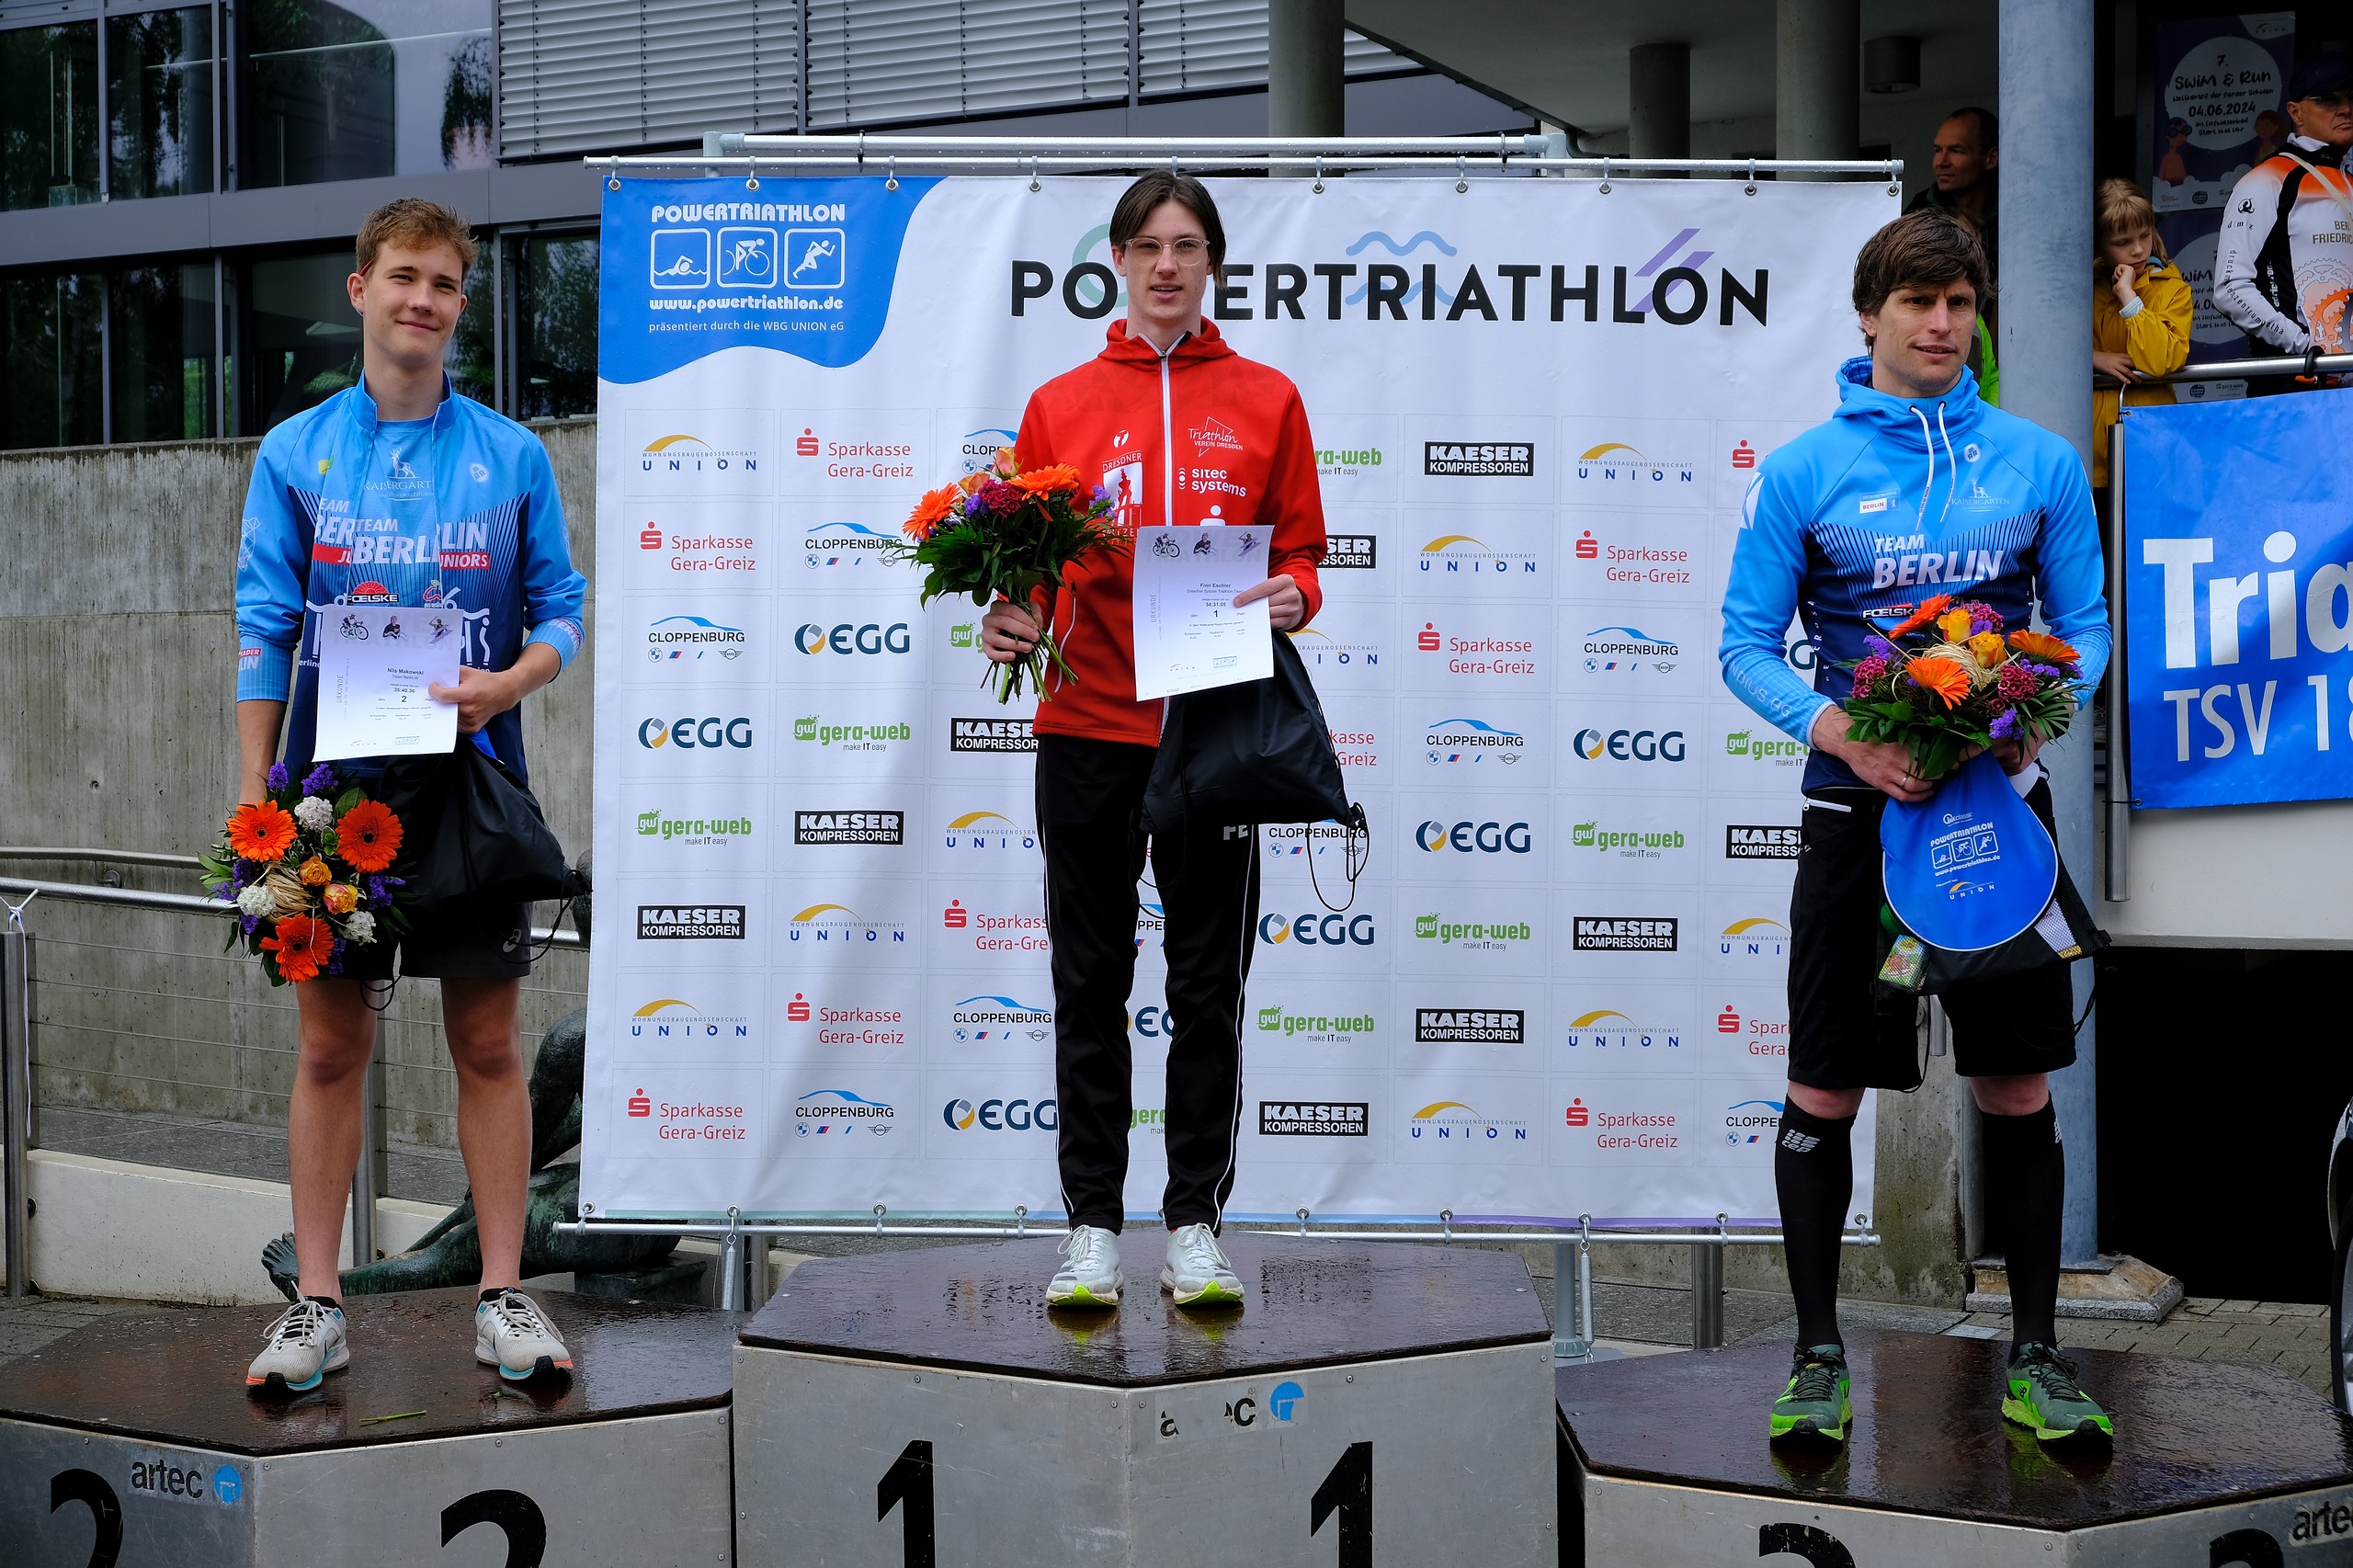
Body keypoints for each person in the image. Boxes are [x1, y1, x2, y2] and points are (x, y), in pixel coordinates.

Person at [1720, 210, 2114, 1449]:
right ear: (1870, 315)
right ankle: (1816, 1358)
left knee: (2017, 1082)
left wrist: (2038, 713)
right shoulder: (1804, 470)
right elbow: (1743, 645)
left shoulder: (2039, 460)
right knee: (1822, 1084)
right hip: (1858, 816)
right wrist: (1844, 732)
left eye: (1959, 304)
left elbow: (2087, 627)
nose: (1942, 325)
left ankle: (2036, 1356)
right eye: (1918, 303)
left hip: (1997, 815)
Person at [233, 199, 586, 1392]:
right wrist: (258, 800)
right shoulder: (295, 453)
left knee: (487, 1043)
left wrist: (509, 683)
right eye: (403, 277)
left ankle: (504, 1295)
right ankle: (317, 1306)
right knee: (331, 1048)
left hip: (472, 789)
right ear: (361, 289)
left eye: (443, 283)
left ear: (459, 303)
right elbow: (263, 627)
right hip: (330, 802)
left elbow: (561, 610)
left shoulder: (512, 455)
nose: (423, 300)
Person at [978, 172, 1327, 1311]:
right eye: (1146, 246)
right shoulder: (1059, 404)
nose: (1166, 265)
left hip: (1214, 730)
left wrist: (1296, 592)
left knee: (1208, 985)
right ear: (1118, 263)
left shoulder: (1268, 398)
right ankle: (1090, 1225)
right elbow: (1028, 568)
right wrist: (1009, 612)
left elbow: (1303, 551)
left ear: (1211, 261)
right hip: (1088, 724)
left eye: (1185, 245)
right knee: (1087, 982)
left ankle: (1191, 1225)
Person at [2213, 54, 2353, 387]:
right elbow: (2230, 288)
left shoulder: (2349, 180)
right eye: (2328, 100)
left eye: (2351, 98)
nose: (2346, 109)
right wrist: (2303, 346)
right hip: (2293, 384)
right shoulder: (2267, 180)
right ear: (2295, 112)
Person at [2088, 179, 2190, 492]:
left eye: (2145, 235)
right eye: (2122, 242)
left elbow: (2162, 359)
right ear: (2098, 244)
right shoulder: (2080, 285)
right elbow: (2043, 350)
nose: (2137, 249)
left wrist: (2129, 298)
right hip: (2087, 454)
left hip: (2150, 449)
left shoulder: (2172, 288)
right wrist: (2091, 359)